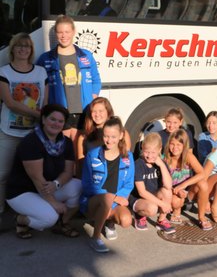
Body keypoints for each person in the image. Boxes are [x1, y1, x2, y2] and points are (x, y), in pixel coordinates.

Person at [6, 104, 81, 239]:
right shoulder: (31, 142)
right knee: (49, 218)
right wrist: (54, 203)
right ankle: (20, 219)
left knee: (79, 186)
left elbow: (68, 172)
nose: (56, 124)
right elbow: (37, 178)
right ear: (44, 119)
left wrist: (56, 184)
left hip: (46, 188)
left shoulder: (66, 142)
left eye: (60, 121)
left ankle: (63, 222)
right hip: (23, 192)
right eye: (52, 119)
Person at [0, 33, 49, 216]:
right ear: (12, 49)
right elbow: (10, 103)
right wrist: (39, 115)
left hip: (33, 134)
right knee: (2, 175)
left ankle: (33, 212)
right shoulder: (4, 72)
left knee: (35, 175)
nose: (23, 49)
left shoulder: (40, 72)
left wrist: (42, 118)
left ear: (31, 50)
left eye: (27, 46)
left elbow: (45, 101)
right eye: (19, 46)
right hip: (9, 132)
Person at [36, 15, 101, 140]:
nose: (63, 36)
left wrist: (92, 99)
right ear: (56, 33)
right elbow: (38, 84)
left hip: (83, 111)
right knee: (64, 150)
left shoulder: (86, 55)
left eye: (67, 32)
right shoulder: (46, 58)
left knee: (80, 151)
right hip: (59, 112)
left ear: (73, 32)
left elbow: (96, 80)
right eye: (60, 32)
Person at [81, 117, 134, 253]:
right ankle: (95, 238)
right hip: (94, 201)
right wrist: (113, 197)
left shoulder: (128, 157)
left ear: (121, 135)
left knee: (126, 220)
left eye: (113, 136)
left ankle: (108, 221)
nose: (109, 140)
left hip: (114, 203)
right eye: (106, 136)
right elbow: (87, 185)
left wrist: (116, 199)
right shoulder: (92, 155)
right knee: (107, 198)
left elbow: (129, 184)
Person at [164, 129, 211, 229]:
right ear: (169, 144)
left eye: (178, 145)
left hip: (188, 192)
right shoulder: (166, 159)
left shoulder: (188, 156)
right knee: (176, 202)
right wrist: (175, 191)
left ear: (184, 146)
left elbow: (202, 173)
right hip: (173, 192)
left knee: (203, 184)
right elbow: (162, 183)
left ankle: (202, 217)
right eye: (172, 144)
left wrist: (183, 185)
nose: (175, 147)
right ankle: (177, 210)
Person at [129, 133, 175, 234]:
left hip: (153, 196)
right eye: (146, 152)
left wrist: (162, 166)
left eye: (153, 152)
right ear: (142, 148)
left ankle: (161, 220)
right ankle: (139, 215)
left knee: (167, 192)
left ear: (159, 150)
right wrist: (162, 204)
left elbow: (168, 186)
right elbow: (142, 192)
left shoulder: (161, 163)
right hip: (139, 198)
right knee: (152, 208)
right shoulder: (138, 164)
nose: (149, 156)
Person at [76, 97, 132, 178]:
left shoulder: (123, 133)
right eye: (94, 111)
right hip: (92, 178)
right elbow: (80, 164)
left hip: (115, 177)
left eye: (100, 111)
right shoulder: (83, 137)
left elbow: (127, 159)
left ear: (108, 112)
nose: (97, 114)